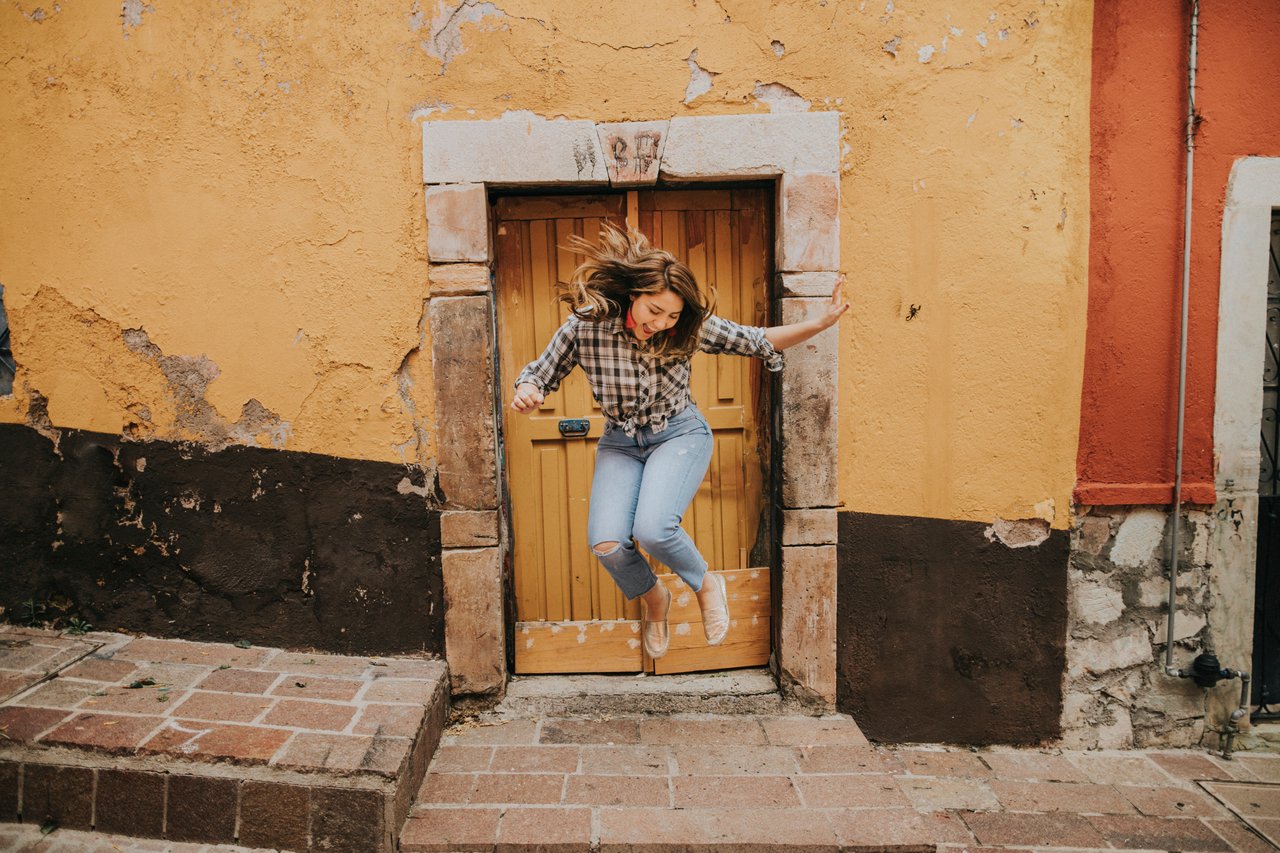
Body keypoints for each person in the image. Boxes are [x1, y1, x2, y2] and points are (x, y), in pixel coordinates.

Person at [511, 223, 848, 659]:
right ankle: (656, 600)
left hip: (679, 433)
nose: (662, 323)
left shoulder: (687, 328)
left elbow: (757, 339)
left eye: (671, 315)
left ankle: (707, 583)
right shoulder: (586, 327)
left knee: (652, 529)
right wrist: (529, 391)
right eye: (655, 311)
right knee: (607, 543)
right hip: (620, 442)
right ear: (634, 294)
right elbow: (540, 371)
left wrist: (820, 323)